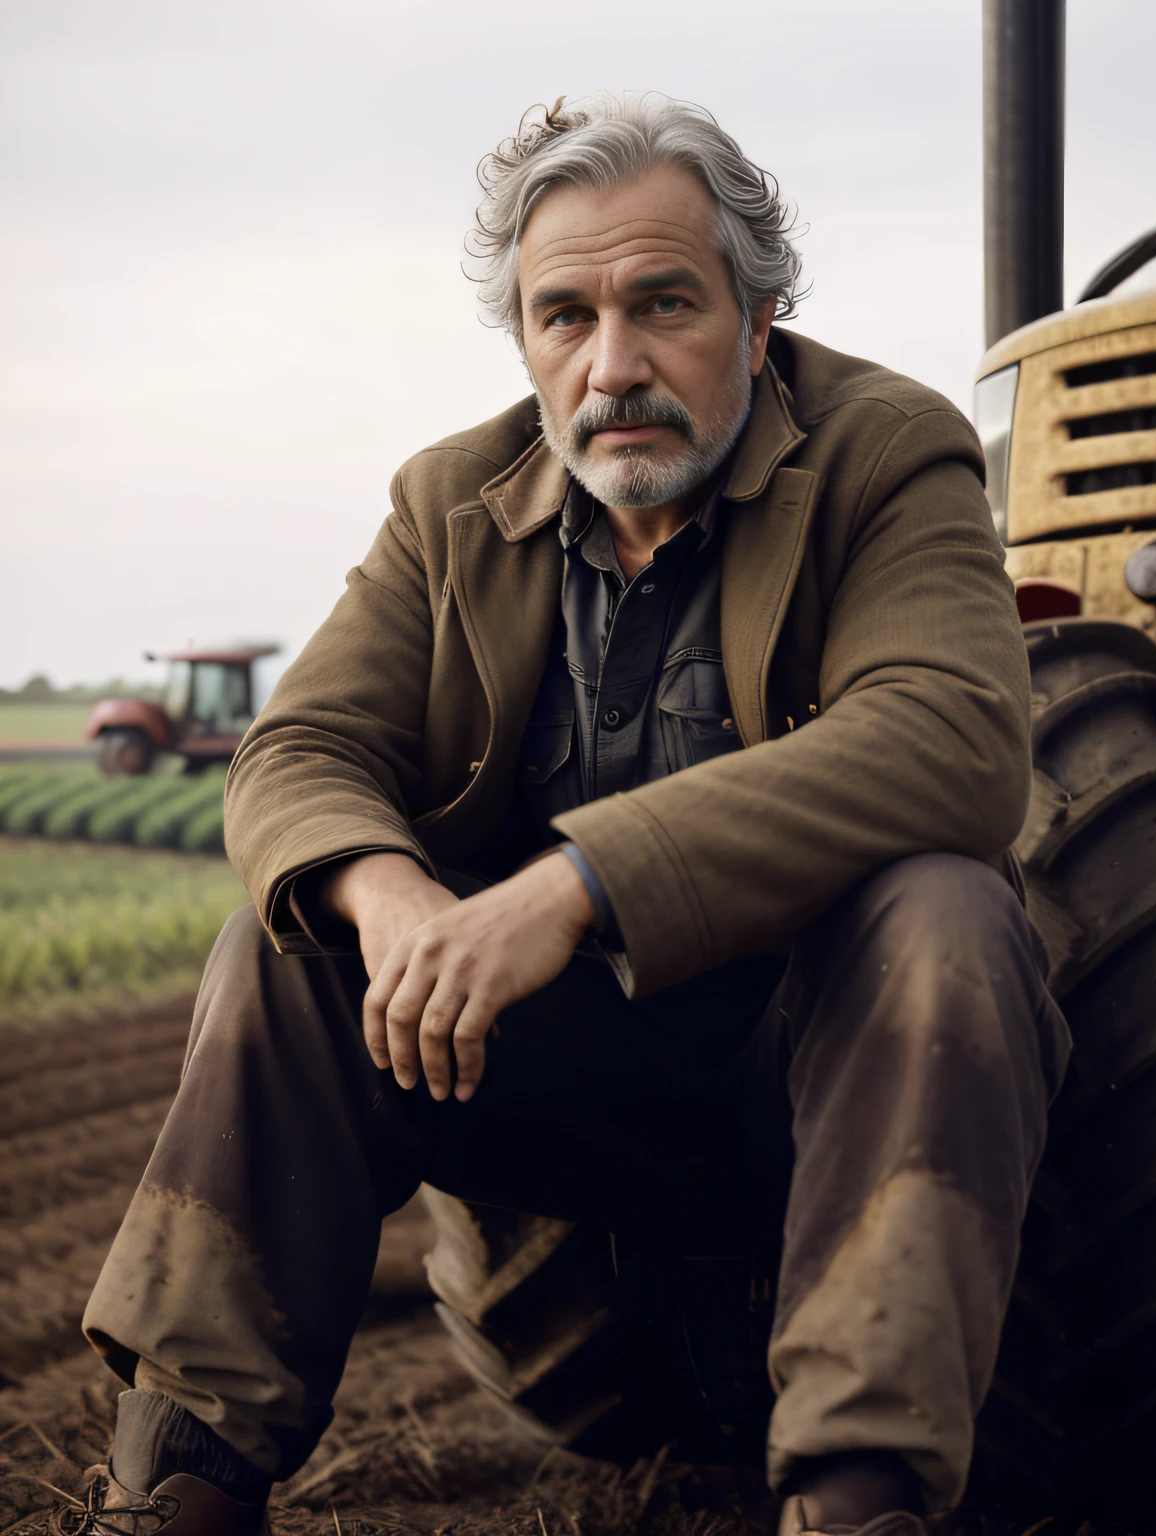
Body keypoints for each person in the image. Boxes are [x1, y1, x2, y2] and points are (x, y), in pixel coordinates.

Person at [65, 96, 1068, 1536]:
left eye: (666, 303)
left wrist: (569, 885)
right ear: (525, 340)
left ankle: (861, 1501)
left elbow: (955, 739)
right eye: (565, 317)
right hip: (553, 1071)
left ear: (759, 308)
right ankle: (173, 1491)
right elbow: (300, 746)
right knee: (283, 954)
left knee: (947, 912)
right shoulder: (449, 503)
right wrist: (390, 893)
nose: (615, 365)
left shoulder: (883, 451)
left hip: (824, 1059)